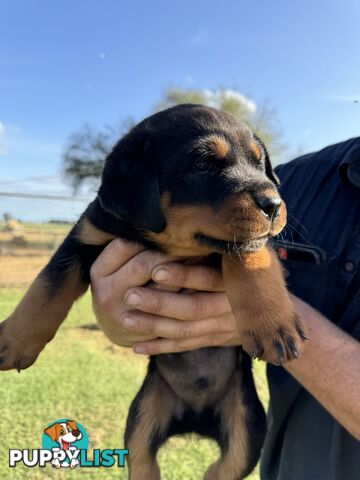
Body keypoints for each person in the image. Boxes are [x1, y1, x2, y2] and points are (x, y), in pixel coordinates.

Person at [90, 137, 360, 480]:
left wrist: (263, 312)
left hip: (236, 399)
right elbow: (196, 238)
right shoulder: (290, 181)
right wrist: (121, 315)